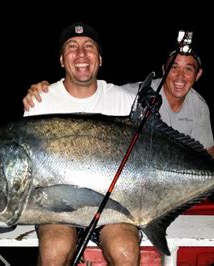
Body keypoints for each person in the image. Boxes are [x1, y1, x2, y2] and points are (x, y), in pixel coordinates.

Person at [24, 42, 214, 172]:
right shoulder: (136, 95)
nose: (180, 76)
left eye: (188, 69)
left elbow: (207, 149)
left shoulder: (198, 105)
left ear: (197, 75)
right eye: (174, 67)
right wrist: (45, 88)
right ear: (164, 69)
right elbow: (100, 95)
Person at [24, 22, 141, 266]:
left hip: (113, 205)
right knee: (54, 250)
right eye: (71, 47)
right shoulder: (41, 102)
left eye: (89, 47)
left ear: (99, 59)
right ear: (61, 60)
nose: (80, 54)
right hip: (57, 207)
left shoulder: (125, 101)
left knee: (125, 251)